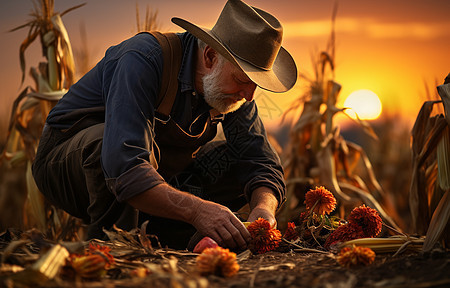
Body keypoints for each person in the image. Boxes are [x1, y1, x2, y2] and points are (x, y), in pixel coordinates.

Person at [32, 0, 297, 250]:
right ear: (210, 56)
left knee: (234, 160)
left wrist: (264, 209)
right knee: (112, 145)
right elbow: (126, 167)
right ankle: (116, 246)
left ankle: (172, 237)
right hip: (68, 165)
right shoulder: (142, 60)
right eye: (243, 80)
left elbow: (259, 159)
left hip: (157, 174)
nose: (250, 95)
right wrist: (197, 210)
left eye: (255, 84)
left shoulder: (234, 91)